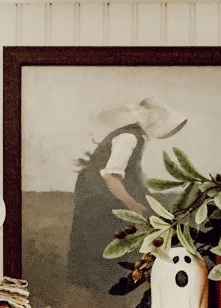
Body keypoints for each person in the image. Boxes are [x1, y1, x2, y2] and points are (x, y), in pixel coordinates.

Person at [67, 98, 187, 290]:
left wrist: (144, 195)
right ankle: (97, 286)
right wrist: (132, 204)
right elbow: (111, 176)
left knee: (109, 237)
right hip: (98, 196)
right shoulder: (129, 138)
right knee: (100, 237)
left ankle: (107, 281)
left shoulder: (134, 136)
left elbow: (132, 172)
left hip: (101, 193)